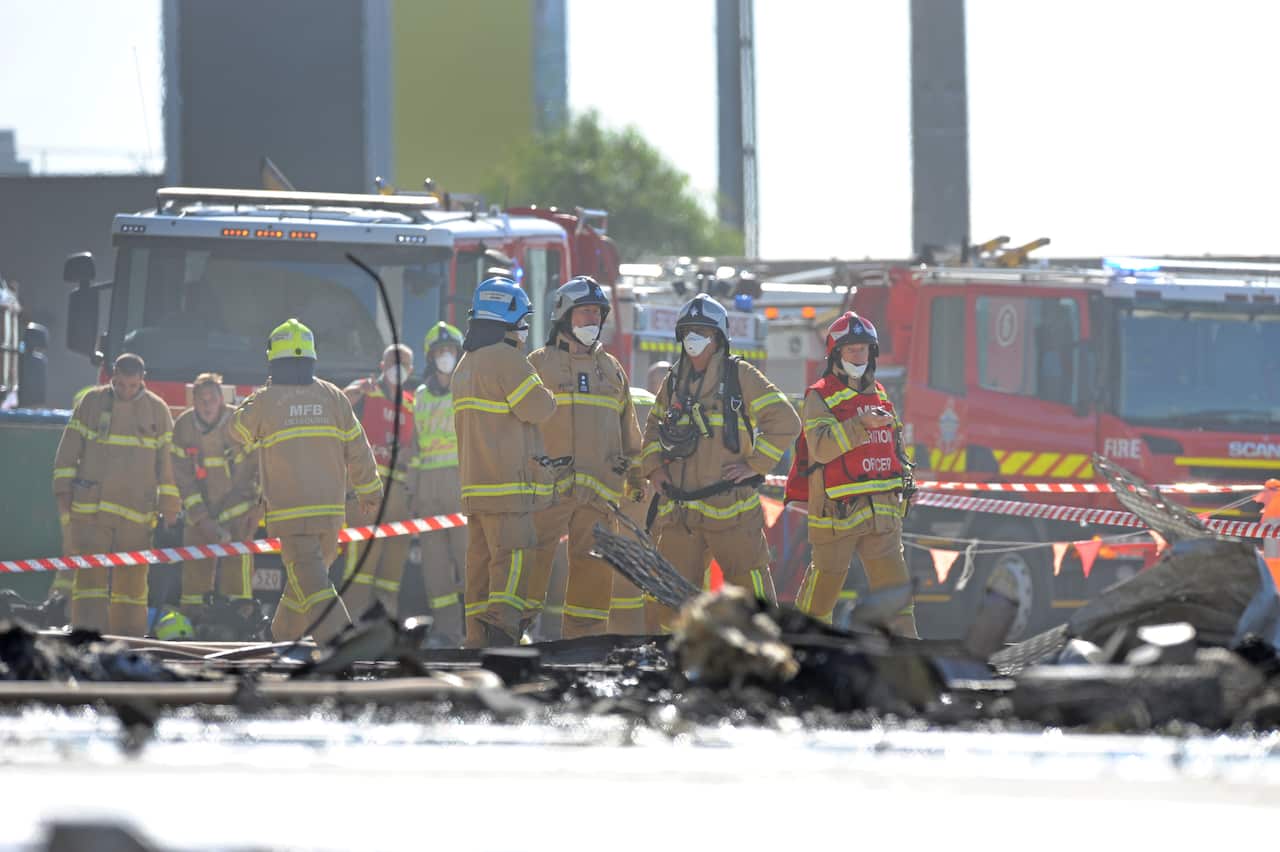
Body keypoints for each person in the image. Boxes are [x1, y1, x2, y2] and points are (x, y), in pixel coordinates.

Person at [640, 294, 801, 630]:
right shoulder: (674, 381)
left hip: (731, 509)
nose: (693, 338)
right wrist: (654, 467)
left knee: (750, 596)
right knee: (668, 596)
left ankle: (766, 657)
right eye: (688, 331)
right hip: (680, 511)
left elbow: (786, 421)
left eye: (702, 331)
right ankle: (670, 665)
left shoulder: (741, 375)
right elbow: (654, 426)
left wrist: (755, 465)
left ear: (719, 338)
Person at [227, 318, 381, 642]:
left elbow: (236, 430)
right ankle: (280, 639)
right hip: (330, 516)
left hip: (291, 516)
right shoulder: (334, 396)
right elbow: (359, 447)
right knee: (306, 583)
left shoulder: (268, 400)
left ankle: (342, 643)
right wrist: (370, 492)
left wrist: (262, 393)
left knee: (313, 585)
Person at [524, 277, 643, 638]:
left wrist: (636, 479)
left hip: (600, 498)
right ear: (563, 315)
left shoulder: (612, 370)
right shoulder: (537, 364)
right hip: (545, 494)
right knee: (528, 568)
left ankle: (584, 648)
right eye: (585, 312)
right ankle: (509, 638)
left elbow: (629, 432)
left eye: (597, 313)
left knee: (594, 579)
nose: (592, 320)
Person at [785, 311, 917, 637]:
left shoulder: (880, 392)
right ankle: (802, 659)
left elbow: (894, 442)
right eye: (851, 350)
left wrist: (906, 476)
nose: (859, 356)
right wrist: (861, 424)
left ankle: (910, 666)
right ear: (836, 354)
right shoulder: (819, 396)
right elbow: (822, 449)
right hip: (835, 515)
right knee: (819, 601)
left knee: (897, 600)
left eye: (864, 349)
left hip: (882, 515)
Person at [452, 278, 556, 647]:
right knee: (511, 559)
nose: (525, 328)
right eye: (523, 320)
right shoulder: (508, 360)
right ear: (510, 320)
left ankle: (476, 640)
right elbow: (540, 408)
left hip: (475, 487)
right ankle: (503, 633)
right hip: (508, 486)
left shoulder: (465, 364)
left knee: (478, 567)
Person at [51, 353, 180, 635]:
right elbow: (67, 456)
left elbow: (169, 467)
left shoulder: (157, 410)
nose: (126, 391)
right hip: (91, 512)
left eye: (133, 386)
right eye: (121, 385)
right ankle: (85, 636)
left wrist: (170, 509)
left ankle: (129, 640)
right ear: (113, 377)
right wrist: (64, 498)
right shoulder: (91, 403)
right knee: (89, 583)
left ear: (142, 380)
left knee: (132, 586)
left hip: (137, 514)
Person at [171, 372, 261, 618]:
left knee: (238, 563)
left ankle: (239, 615)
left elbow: (261, 462)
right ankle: (193, 617)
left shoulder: (238, 422)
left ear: (221, 399)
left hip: (239, 507)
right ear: (194, 401)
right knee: (195, 564)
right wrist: (202, 518)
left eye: (212, 399)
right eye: (202, 399)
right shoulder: (183, 427)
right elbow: (183, 478)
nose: (207, 404)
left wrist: (259, 508)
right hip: (201, 510)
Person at [340, 343, 417, 618]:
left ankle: (386, 626)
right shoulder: (367, 389)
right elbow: (338, 403)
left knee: (392, 569)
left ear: (411, 370)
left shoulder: (411, 403)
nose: (398, 368)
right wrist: (355, 391)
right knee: (361, 562)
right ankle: (348, 624)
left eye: (404, 363)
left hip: (398, 493)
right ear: (381, 365)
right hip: (365, 489)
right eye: (393, 361)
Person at [409, 321, 467, 645]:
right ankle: (448, 631)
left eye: (450, 351)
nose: (446, 356)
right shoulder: (420, 395)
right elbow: (415, 445)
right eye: (440, 351)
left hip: (459, 484)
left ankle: (477, 629)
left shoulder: (466, 388)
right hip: (429, 489)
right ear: (431, 357)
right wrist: (413, 490)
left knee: (467, 559)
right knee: (434, 566)